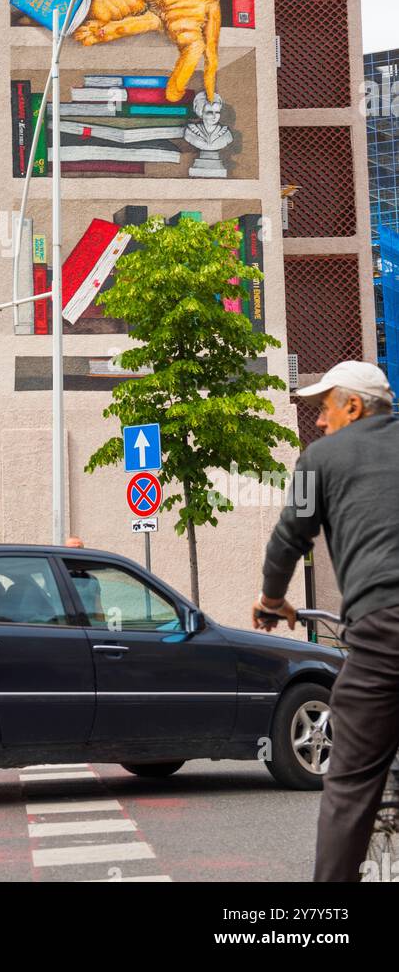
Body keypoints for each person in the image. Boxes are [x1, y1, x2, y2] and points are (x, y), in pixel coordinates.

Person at [253, 360, 399, 882]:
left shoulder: (320, 459)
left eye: (325, 408)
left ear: (354, 407)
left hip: (383, 634)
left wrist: (272, 601)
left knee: (351, 784)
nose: (318, 421)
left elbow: (289, 539)